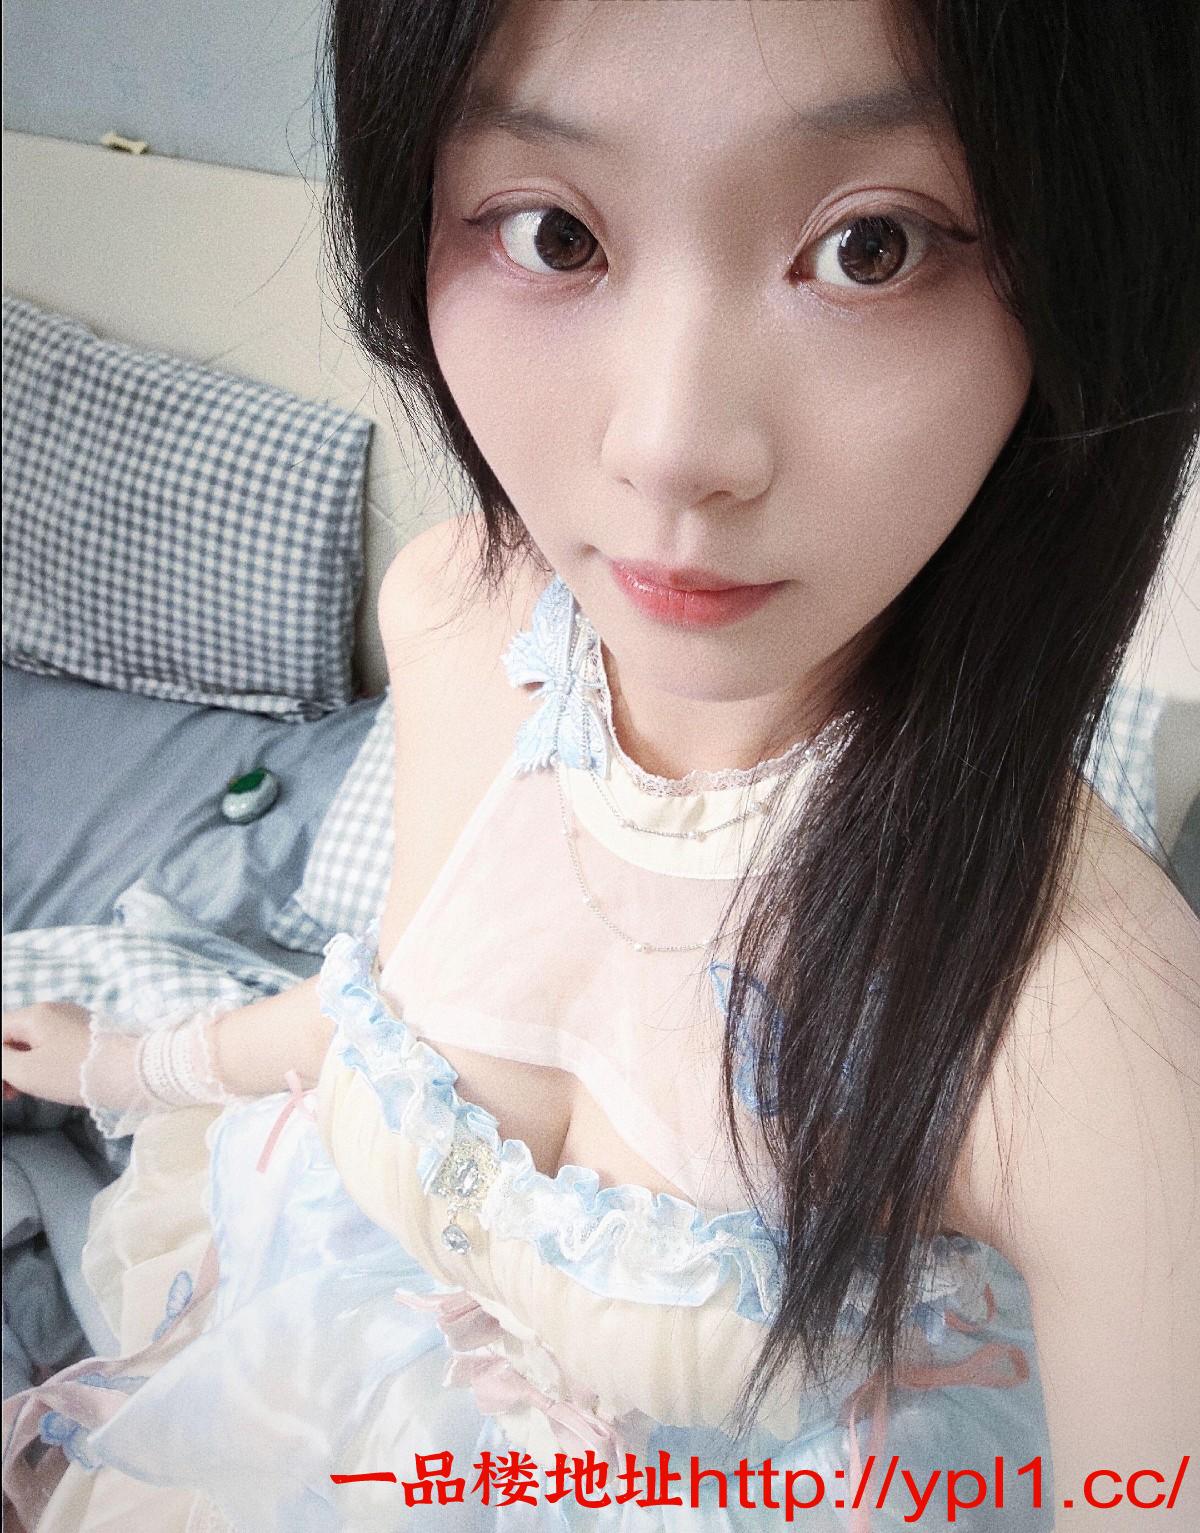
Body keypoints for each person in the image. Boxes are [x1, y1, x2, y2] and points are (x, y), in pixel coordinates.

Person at [4, 1, 1199, 1528]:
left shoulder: (1091, 1018)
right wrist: (129, 1065)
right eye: (554, 234)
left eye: (872, 247)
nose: (671, 446)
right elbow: (398, 1011)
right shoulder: (458, 614)